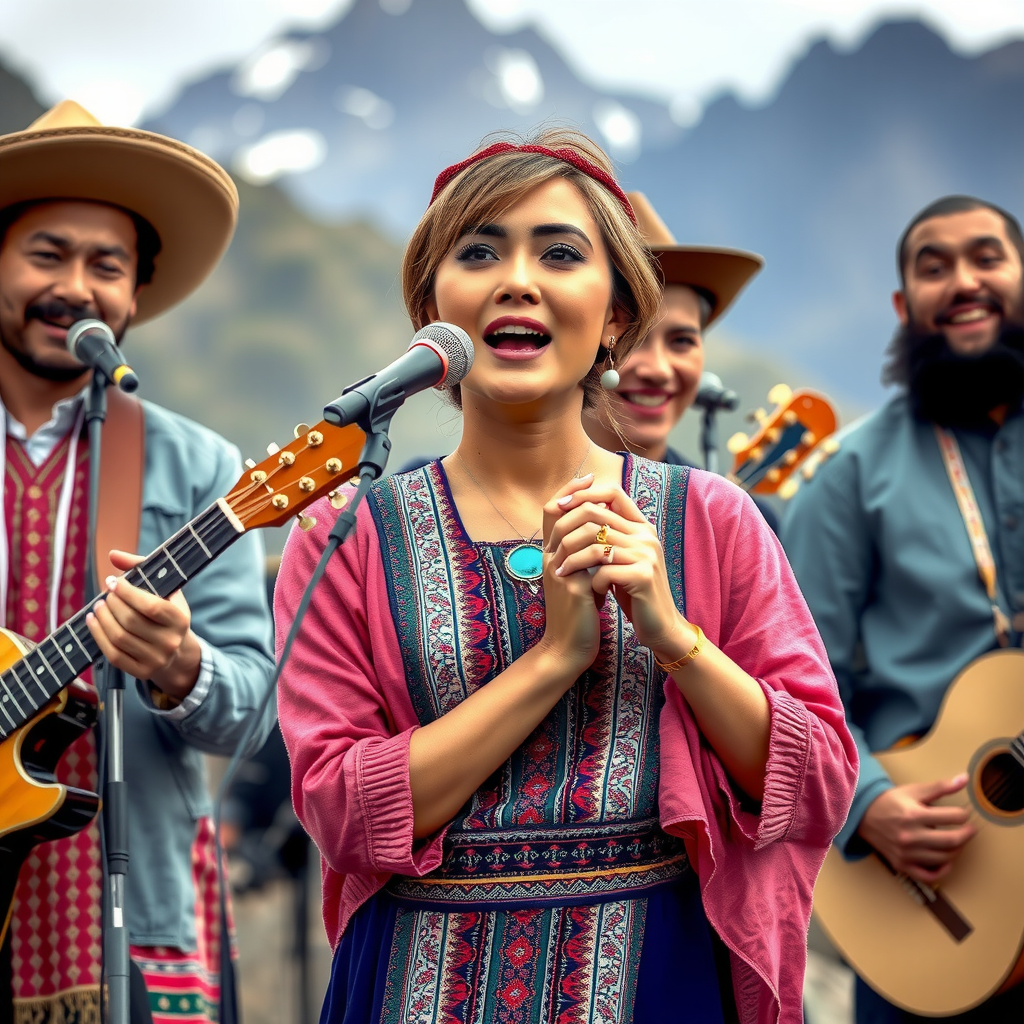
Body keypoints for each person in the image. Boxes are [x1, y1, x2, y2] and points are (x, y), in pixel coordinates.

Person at [276, 128, 857, 1024]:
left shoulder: (712, 519)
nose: (518, 278)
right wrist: (554, 657)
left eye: (559, 252)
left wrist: (674, 635)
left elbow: (816, 783)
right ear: (431, 310)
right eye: (478, 252)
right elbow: (343, 816)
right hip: (412, 983)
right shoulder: (343, 533)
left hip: (657, 977)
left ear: (618, 314)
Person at [0, 102, 276, 1024]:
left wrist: (179, 666)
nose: (76, 286)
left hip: (131, 914)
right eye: (47, 253)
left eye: (106, 265)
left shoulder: (200, 465)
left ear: (133, 294)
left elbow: (254, 711)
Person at [782, 195, 1024, 1022]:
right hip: (934, 903)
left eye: (987, 257)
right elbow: (794, 690)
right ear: (902, 306)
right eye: (934, 265)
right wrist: (868, 803)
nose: (964, 281)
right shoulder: (847, 477)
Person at [582, 192, 764, 479]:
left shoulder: (744, 517)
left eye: (682, 341)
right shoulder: (497, 496)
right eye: (632, 337)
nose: (658, 370)